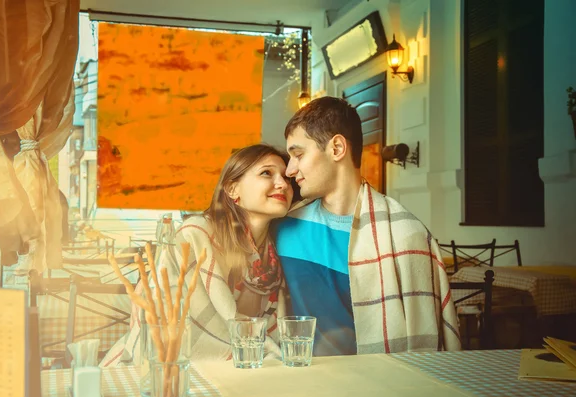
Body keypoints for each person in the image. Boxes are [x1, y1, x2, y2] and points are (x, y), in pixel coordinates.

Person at [274, 97, 461, 355]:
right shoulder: (283, 228)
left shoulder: (407, 235)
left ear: (337, 148)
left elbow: (425, 342)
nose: (290, 170)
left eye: (298, 154)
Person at [101, 143, 293, 366]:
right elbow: (164, 320)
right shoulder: (196, 235)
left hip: (247, 365)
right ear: (232, 190)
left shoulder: (278, 252)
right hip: (169, 367)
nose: (282, 183)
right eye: (266, 173)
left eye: (286, 177)